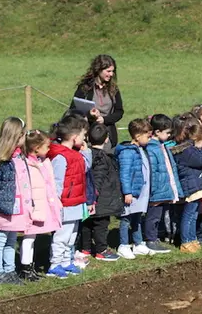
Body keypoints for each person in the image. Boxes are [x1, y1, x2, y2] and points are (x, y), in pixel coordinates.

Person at [47, 115, 92, 278]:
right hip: (65, 204)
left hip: (76, 202)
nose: (84, 138)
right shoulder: (60, 156)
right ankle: (55, 265)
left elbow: (84, 168)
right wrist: (56, 204)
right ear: (74, 137)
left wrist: (86, 152)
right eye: (83, 135)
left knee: (71, 236)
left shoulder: (75, 154)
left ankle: (66, 262)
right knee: (62, 237)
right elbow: (57, 183)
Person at [171, 124, 202, 253]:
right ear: (196, 139)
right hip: (190, 186)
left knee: (193, 214)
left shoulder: (190, 150)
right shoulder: (187, 151)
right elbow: (200, 160)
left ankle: (192, 239)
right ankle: (186, 241)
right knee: (189, 215)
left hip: (194, 186)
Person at [21, 129, 62, 281]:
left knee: (33, 236)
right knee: (29, 236)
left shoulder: (42, 162)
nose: (49, 149)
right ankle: (26, 268)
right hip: (32, 206)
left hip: (41, 204)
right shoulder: (27, 164)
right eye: (46, 146)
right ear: (37, 148)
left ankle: (30, 266)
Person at [81, 124, 124, 261]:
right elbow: (97, 180)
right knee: (101, 226)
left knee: (87, 224)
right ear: (106, 139)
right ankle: (101, 250)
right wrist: (93, 198)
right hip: (100, 200)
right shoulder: (101, 158)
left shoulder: (86, 155)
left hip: (89, 198)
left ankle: (85, 248)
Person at [0, 117, 31, 285]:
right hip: (3, 209)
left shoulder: (19, 157)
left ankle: (9, 270)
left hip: (16, 209)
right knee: (0, 240)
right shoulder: (1, 161)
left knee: (11, 239)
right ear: (18, 136)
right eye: (24, 134)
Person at [144, 114, 183, 254]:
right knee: (153, 216)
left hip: (163, 188)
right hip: (157, 190)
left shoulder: (161, 146)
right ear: (157, 132)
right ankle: (150, 239)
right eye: (167, 133)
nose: (169, 135)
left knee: (158, 215)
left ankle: (155, 237)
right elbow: (153, 171)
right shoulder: (152, 148)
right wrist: (154, 190)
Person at [115, 118, 153, 259]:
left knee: (137, 217)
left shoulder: (141, 149)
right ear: (137, 136)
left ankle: (138, 243)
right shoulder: (128, 152)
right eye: (147, 136)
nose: (149, 139)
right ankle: (123, 245)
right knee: (126, 219)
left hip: (140, 191)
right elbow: (124, 173)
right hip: (131, 193)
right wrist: (127, 192)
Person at [70, 54, 124, 147]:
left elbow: (119, 112)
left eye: (113, 71)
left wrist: (104, 119)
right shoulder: (85, 87)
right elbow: (73, 110)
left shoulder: (114, 89)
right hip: (88, 137)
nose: (111, 74)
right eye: (108, 71)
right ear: (99, 70)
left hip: (108, 136)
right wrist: (89, 115)